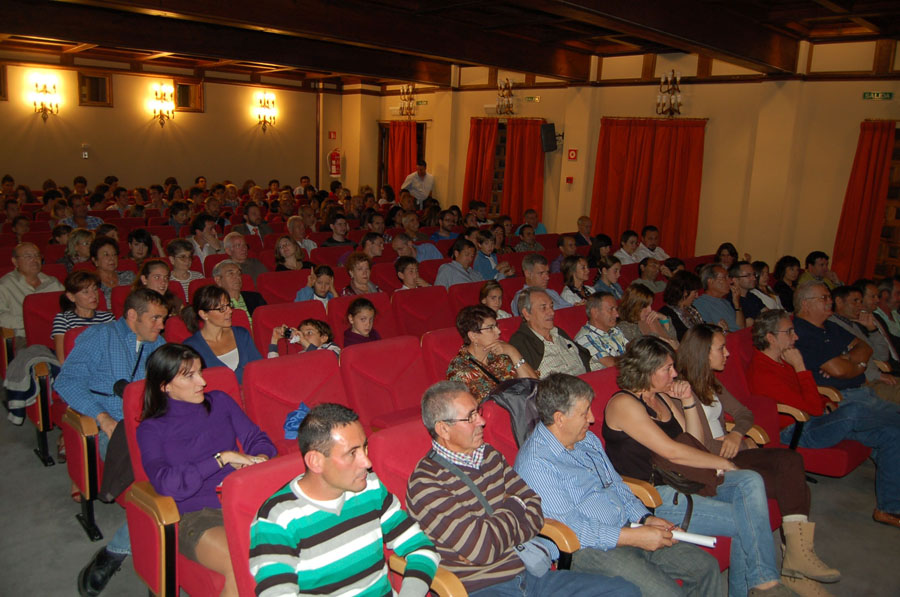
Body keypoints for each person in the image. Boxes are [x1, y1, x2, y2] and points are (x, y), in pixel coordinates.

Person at [603, 336, 793, 596]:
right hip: (654, 496)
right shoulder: (623, 404)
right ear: (646, 370)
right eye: (667, 368)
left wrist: (688, 400)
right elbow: (671, 451)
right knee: (747, 521)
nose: (675, 374)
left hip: (684, 480)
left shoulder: (662, 397)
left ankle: (762, 583)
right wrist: (723, 463)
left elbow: (693, 442)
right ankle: (764, 586)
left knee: (750, 480)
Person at [406, 381, 637, 596]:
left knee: (624, 591)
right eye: (470, 417)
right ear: (443, 429)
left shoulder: (489, 456)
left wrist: (498, 530)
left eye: (478, 411)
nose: (482, 421)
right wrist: (515, 504)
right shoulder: (426, 484)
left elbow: (535, 508)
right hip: (481, 588)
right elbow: (482, 549)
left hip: (529, 574)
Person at [515, 373, 724, 597]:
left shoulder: (586, 440)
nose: (592, 419)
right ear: (560, 418)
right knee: (667, 593)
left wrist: (646, 519)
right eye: (584, 413)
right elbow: (575, 530)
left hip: (628, 526)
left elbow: (616, 484)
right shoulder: (537, 464)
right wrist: (636, 537)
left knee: (705, 567)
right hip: (589, 549)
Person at [678, 323, 840, 593]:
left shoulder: (711, 381)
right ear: (703, 353)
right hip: (714, 464)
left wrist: (736, 434)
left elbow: (744, 413)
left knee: (793, 469)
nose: (728, 353)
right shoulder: (682, 390)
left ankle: (796, 566)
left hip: (733, 450)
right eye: (721, 348)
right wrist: (733, 443)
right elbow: (694, 444)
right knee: (792, 477)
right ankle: (795, 570)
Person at [250, 403, 438, 594]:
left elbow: (420, 547)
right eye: (352, 453)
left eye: (364, 448)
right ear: (315, 461)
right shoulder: (277, 518)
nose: (367, 462)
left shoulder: (370, 487)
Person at [138, 343, 276, 597]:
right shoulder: (151, 429)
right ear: (165, 386)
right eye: (189, 376)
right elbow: (165, 483)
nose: (202, 381)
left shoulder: (220, 402)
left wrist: (257, 459)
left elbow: (257, 439)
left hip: (241, 499)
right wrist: (221, 459)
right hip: (195, 513)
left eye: (200, 372)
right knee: (244, 562)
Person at [55, 288, 168, 597]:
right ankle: (114, 553)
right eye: (155, 318)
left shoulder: (158, 345)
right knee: (161, 485)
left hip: (153, 425)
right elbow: (66, 382)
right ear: (132, 316)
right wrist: (102, 418)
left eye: (163, 319)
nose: (161, 326)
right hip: (114, 427)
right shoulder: (99, 337)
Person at [748, 309, 900, 530]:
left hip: (813, 421)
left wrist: (824, 400)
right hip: (796, 431)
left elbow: (810, 395)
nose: (795, 336)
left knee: (891, 434)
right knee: (854, 411)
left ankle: (888, 508)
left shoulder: (782, 359)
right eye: (789, 332)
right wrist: (801, 367)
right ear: (771, 338)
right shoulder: (764, 371)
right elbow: (810, 409)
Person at [792, 281, 890, 412]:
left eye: (829, 297)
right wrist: (861, 365)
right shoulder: (799, 331)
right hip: (840, 398)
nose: (830, 301)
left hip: (863, 391)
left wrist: (845, 358)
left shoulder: (831, 326)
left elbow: (865, 347)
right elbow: (839, 371)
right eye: (824, 298)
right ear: (806, 304)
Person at [182, 285, 272, 383]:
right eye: (222, 309)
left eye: (229, 305)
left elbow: (259, 369)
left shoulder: (241, 335)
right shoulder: (191, 347)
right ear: (204, 314)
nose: (230, 311)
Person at [446, 305, 537, 402]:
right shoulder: (459, 369)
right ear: (473, 336)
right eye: (490, 328)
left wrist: (513, 352)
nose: (498, 331)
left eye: (496, 325)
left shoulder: (502, 352)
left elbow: (536, 387)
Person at [830, 285, 900, 403]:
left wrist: (872, 330)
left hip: (877, 378)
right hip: (864, 384)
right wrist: (876, 375)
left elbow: (882, 356)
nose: (860, 306)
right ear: (839, 302)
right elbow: (845, 362)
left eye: (861, 301)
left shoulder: (854, 324)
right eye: (855, 301)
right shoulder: (832, 326)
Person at [510, 287, 590, 377]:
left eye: (551, 306)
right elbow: (528, 380)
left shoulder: (558, 332)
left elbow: (588, 360)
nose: (552, 312)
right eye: (543, 308)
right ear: (527, 314)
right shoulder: (520, 342)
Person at [0, 243, 65, 343]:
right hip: (25, 338)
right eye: (28, 256)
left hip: (57, 335)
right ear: (15, 261)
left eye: (37, 255)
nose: (34, 260)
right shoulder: (4, 285)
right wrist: (31, 322)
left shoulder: (52, 282)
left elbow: (68, 307)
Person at [51, 271, 115, 362]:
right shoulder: (63, 319)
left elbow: (115, 350)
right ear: (71, 297)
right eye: (86, 292)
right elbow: (62, 359)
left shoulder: (107, 318)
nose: (93, 295)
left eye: (95, 289)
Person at [575, 293, 628, 371]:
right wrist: (635, 360)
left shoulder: (615, 330)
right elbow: (610, 364)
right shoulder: (585, 338)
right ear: (594, 313)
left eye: (616, 309)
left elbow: (632, 350)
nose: (617, 314)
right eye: (611, 309)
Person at [693, 264, 744, 332]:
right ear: (710, 281)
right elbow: (709, 333)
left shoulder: (726, 302)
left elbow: (741, 328)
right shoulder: (700, 304)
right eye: (725, 277)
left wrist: (737, 304)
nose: (731, 281)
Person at [659, 270, 705, 341]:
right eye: (695, 292)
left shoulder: (692, 309)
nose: (697, 296)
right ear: (685, 292)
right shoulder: (666, 313)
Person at [91, 236, 135, 308]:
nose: (112, 258)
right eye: (106, 255)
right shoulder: (91, 282)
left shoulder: (129, 276)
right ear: (95, 260)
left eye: (114, 254)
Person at [732, 261, 767, 325]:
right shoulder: (732, 300)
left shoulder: (751, 296)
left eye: (754, 274)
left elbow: (768, 313)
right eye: (748, 275)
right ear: (735, 280)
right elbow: (748, 324)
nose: (754, 278)